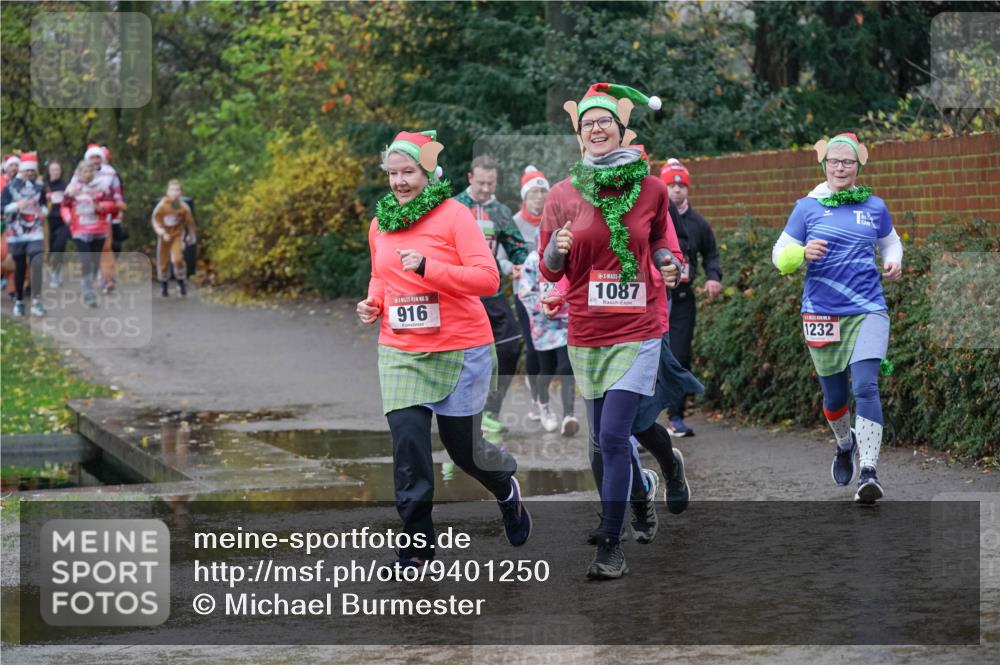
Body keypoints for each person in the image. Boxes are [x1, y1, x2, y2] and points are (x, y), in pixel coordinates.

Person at [357, 130, 531, 568]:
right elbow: (381, 275)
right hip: (401, 350)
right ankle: (416, 547)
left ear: (428, 173)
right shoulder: (381, 222)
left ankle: (505, 487)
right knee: (409, 445)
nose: (399, 181)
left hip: (460, 347)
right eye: (393, 173)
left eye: (408, 172)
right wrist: (373, 302)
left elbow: (488, 279)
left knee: (464, 451)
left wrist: (429, 267)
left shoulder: (454, 215)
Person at [539, 82, 683, 579]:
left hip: (639, 327)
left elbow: (663, 242)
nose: (597, 129)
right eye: (588, 124)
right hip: (586, 328)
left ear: (622, 129)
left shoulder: (652, 188)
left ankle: (609, 546)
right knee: (601, 445)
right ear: (579, 135)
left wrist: (667, 263)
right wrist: (556, 248)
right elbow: (549, 268)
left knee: (613, 434)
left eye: (605, 121)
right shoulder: (562, 195)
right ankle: (641, 495)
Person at [771, 133, 902, 504]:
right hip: (821, 313)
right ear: (824, 164)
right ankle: (845, 444)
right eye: (834, 162)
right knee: (835, 397)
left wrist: (893, 261)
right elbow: (779, 255)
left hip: (868, 309)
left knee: (866, 386)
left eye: (847, 162)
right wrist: (801, 252)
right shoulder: (807, 207)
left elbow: (891, 241)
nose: (840, 168)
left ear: (858, 165)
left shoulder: (874, 206)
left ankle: (869, 472)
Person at [453, 155, 529, 440]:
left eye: (491, 184)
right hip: (459, 290)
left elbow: (517, 247)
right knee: (462, 352)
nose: (486, 189)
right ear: (470, 178)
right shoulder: (453, 207)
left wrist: (523, 263)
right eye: (481, 183)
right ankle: (459, 412)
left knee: (510, 345)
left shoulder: (499, 211)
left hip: (490, 288)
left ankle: (491, 411)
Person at [659, 158, 722, 437]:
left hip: (683, 299)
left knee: (680, 357)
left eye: (681, 185)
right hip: (653, 299)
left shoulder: (698, 224)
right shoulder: (654, 218)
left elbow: (711, 254)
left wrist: (713, 276)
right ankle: (639, 422)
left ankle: (675, 416)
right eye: (671, 185)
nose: (676, 190)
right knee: (647, 360)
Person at [508, 165, 557, 428]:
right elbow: (499, 256)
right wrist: (510, 267)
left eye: (543, 192)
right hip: (525, 297)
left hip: (552, 296)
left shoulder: (554, 222)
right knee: (534, 346)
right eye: (534, 192)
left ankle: (541, 395)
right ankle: (538, 401)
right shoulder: (514, 224)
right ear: (525, 196)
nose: (539, 197)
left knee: (551, 351)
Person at [517, 242, 579, 435]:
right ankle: (543, 407)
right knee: (547, 370)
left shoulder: (572, 255)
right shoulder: (534, 259)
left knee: (566, 367)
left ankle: (569, 415)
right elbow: (524, 292)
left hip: (566, 323)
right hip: (542, 325)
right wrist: (544, 306)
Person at [62, 160, 118, 307]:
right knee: (86, 259)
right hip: (79, 229)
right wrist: (67, 218)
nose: (88, 174)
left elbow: (113, 206)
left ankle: (88, 281)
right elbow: (64, 206)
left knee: (94, 262)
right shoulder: (72, 189)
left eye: (90, 171)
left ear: (94, 172)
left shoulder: (103, 187)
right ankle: (88, 292)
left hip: (99, 229)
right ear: (79, 173)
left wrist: (102, 207)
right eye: (85, 171)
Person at [2, 152, 47, 316]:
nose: (29, 173)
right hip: (16, 232)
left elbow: (43, 204)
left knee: (36, 262)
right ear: (21, 171)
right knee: (20, 268)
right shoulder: (10, 187)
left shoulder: (39, 187)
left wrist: (43, 212)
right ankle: (20, 301)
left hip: (35, 230)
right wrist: (16, 205)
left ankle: (36, 302)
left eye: (32, 170)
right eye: (27, 170)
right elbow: (2, 208)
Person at [151, 179, 196, 297]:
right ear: (167, 192)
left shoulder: (184, 207)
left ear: (180, 192)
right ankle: (164, 285)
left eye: (177, 190)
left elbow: (190, 223)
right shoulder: (162, 206)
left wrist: (191, 236)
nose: (174, 193)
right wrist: (162, 233)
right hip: (164, 237)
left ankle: (181, 282)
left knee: (177, 259)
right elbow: (155, 221)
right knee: (163, 261)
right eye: (172, 190)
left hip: (177, 235)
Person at [44, 161, 70, 288]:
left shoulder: (66, 186)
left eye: (58, 169)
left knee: (59, 246)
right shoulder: (44, 186)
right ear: (49, 172)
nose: (56, 172)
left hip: (63, 222)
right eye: (53, 170)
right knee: (49, 249)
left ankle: (56, 273)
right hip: (47, 222)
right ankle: (51, 269)